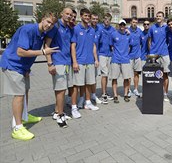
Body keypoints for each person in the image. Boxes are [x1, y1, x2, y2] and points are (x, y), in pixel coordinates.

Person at [0, 12, 58, 140]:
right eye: (48, 21)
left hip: (23, 68)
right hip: (12, 64)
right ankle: (17, 128)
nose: (49, 25)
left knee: (25, 91)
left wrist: (27, 68)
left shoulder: (42, 34)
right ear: (42, 19)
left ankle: (24, 116)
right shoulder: (28, 29)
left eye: (52, 24)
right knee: (19, 95)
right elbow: (20, 52)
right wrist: (43, 52)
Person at [45, 8, 74, 128]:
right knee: (61, 90)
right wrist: (50, 63)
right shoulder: (55, 27)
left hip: (67, 62)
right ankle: (61, 115)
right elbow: (46, 45)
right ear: (62, 14)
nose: (69, 16)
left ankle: (57, 112)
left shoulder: (69, 28)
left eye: (70, 15)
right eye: (66, 14)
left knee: (61, 90)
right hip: (58, 62)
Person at [70, 8, 99, 119]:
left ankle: (88, 102)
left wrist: (95, 59)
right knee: (76, 85)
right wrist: (75, 62)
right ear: (81, 16)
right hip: (80, 62)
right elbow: (73, 46)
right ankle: (74, 107)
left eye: (89, 16)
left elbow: (93, 46)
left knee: (88, 83)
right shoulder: (76, 29)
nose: (87, 18)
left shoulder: (92, 30)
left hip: (90, 61)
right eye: (85, 16)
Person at [148, 11, 170, 101]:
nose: (158, 17)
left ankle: (165, 93)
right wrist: (151, 51)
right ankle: (155, 92)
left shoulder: (166, 28)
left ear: (163, 17)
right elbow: (149, 40)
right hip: (154, 54)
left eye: (160, 16)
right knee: (154, 75)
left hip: (164, 54)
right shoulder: (152, 28)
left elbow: (169, 39)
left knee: (165, 75)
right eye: (157, 16)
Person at [110, 20, 132, 103]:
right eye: (120, 24)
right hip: (116, 59)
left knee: (126, 78)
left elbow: (130, 46)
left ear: (125, 25)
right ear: (118, 25)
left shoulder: (128, 34)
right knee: (114, 78)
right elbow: (111, 45)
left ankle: (126, 94)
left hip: (125, 59)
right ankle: (115, 95)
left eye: (123, 24)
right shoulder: (114, 34)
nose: (122, 26)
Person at [97, 13, 116, 102]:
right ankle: (103, 94)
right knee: (104, 74)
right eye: (105, 19)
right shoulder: (99, 28)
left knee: (107, 74)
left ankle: (105, 92)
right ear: (103, 20)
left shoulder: (112, 29)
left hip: (110, 54)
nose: (107, 20)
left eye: (108, 19)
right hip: (102, 54)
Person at [91, 13, 106, 104]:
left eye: (96, 19)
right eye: (93, 18)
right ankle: (84, 97)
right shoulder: (87, 28)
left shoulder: (99, 30)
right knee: (85, 80)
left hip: (95, 58)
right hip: (85, 57)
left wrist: (97, 58)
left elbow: (98, 45)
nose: (95, 20)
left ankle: (93, 94)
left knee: (94, 78)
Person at [128, 17, 142, 97]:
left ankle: (136, 89)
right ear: (131, 22)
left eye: (136, 22)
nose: (135, 23)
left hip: (137, 56)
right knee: (129, 74)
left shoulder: (139, 31)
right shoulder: (127, 31)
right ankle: (129, 90)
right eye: (133, 22)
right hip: (129, 56)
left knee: (136, 73)